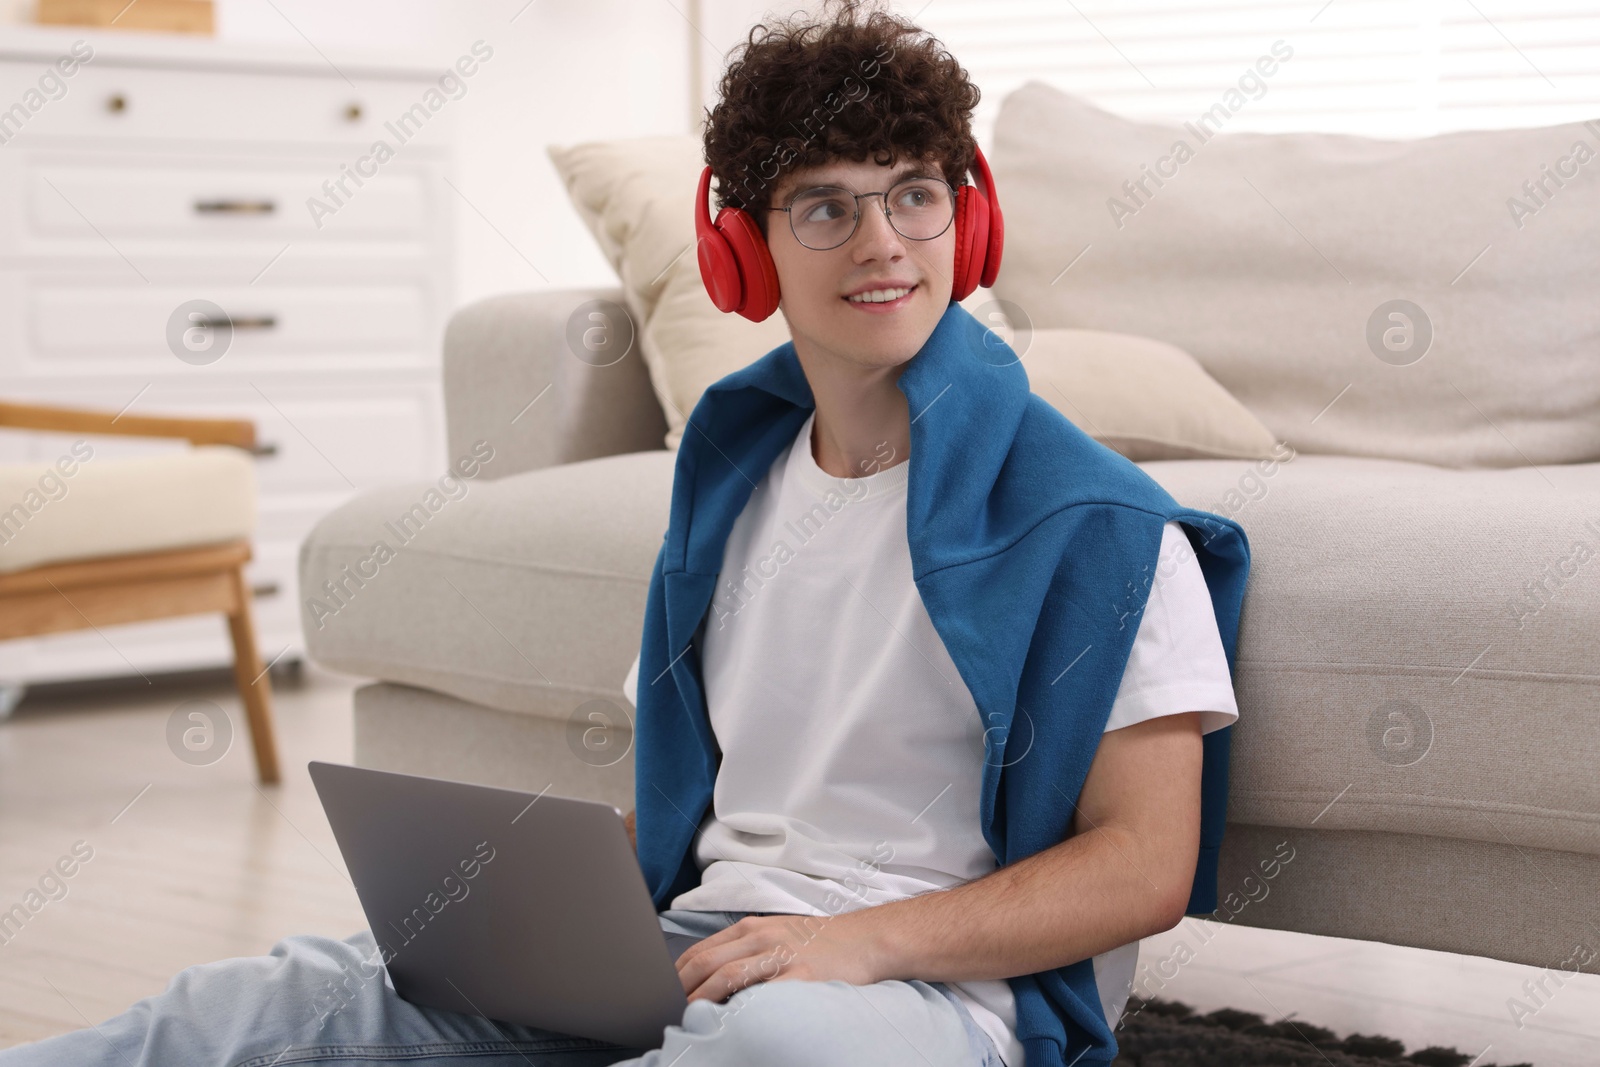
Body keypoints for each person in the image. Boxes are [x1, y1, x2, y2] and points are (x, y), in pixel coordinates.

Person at [0, 2, 1248, 1065]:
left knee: (765, 1044)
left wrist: (855, 940)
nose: (881, 243)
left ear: (964, 221)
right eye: (825, 207)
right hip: (697, 947)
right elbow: (723, 803)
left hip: (925, 995)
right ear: (739, 246)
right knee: (287, 996)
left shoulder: (1101, 523)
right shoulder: (731, 481)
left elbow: (1144, 862)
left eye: (913, 196)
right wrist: (543, 903)